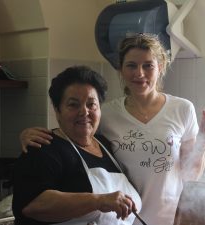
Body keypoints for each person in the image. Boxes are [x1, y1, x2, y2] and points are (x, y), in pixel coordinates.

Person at [19, 34, 205, 225]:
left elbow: (189, 174)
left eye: (148, 65)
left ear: (161, 66)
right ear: (120, 69)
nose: (139, 73)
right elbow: (76, 133)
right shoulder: (107, 113)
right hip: (121, 219)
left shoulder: (182, 109)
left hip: (166, 217)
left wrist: (204, 139)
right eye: (131, 65)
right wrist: (28, 135)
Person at [12, 65, 142, 225]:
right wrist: (98, 201)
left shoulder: (106, 144)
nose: (84, 112)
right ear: (57, 110)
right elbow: (33, 206)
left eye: (91, 104)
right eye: (73, 104)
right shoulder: (43, 148)